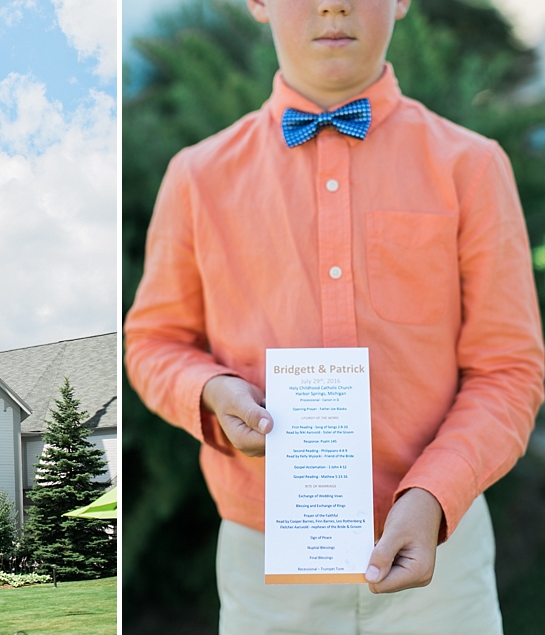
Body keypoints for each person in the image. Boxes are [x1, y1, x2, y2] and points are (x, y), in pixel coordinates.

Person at [123, 0, 544, 633]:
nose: (333, 6)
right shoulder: (197, 177)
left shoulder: (473, 166)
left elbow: (509, 369)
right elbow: (153, 342)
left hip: (443, 563)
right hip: (263, 564)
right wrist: (210, 392)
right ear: (258, 3)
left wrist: (434, 494)